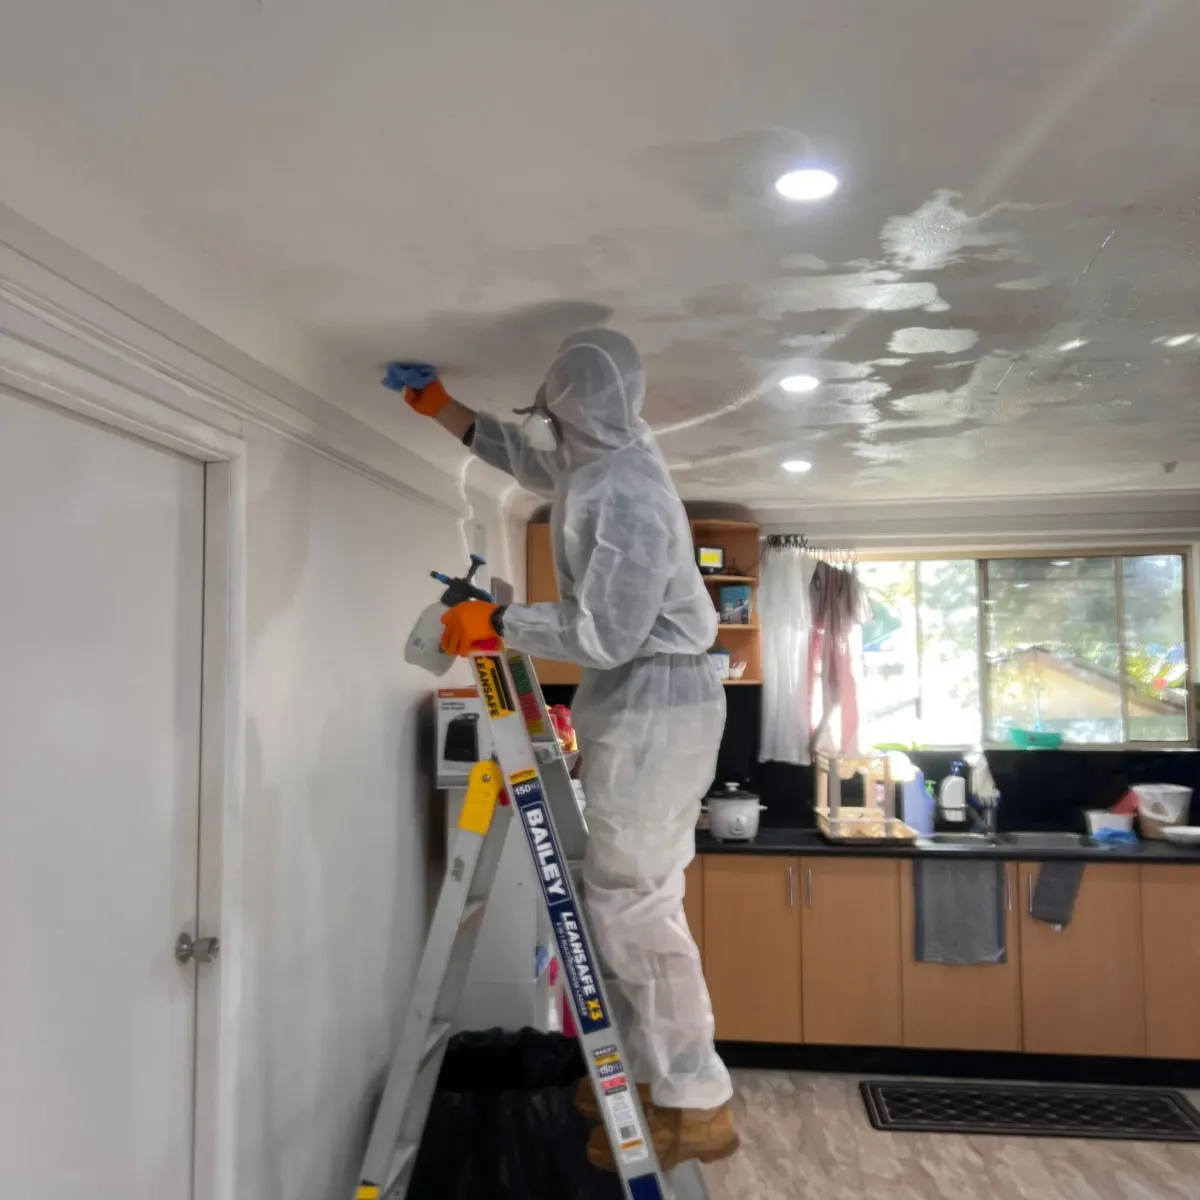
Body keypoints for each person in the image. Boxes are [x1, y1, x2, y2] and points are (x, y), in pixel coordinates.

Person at [402, 329, 738, 1172]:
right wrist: (446, 412)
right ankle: (646, 1076)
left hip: (655, 696)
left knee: (636, 903)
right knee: (621, 899)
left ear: (571, 410)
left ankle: (696, 1102)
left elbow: (606, 633)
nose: (547, 430)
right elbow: (535, 464)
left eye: (551, 414)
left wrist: (497, 621)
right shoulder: (608, 460)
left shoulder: (625, 492)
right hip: (646, 697)